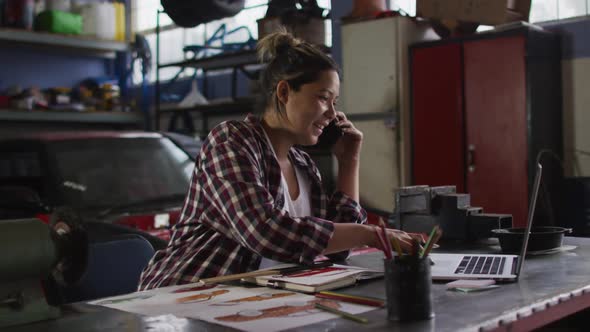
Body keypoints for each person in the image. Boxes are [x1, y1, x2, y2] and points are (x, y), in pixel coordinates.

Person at [138, 30, 415, 291]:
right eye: (323, 98)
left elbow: (337, 247)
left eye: (335, 102)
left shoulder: (304, 166)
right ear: (284, 93)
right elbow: (264, 231)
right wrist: (370, 234)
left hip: (247, 306)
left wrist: (349, 160)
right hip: (184, 298)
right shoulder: (231, 141)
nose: (332, 113)